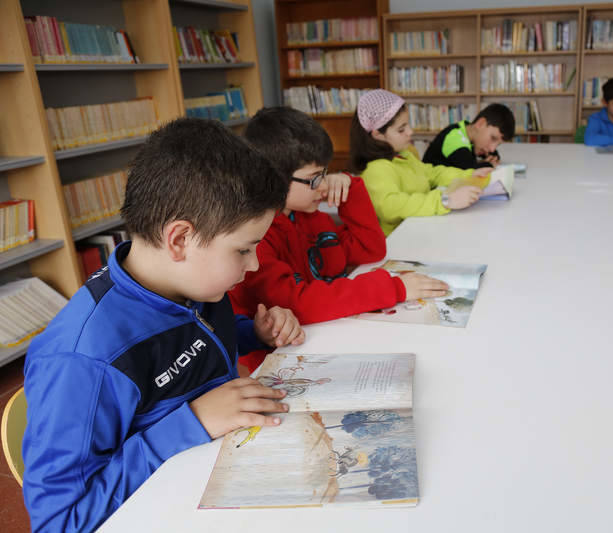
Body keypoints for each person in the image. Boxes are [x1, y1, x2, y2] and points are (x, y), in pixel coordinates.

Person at [21, 118, 305, 532]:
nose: (254, 264)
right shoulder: (83, 361)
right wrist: (192, 423)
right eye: (243, 249)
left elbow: (191, 342)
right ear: (179, 239)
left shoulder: (192, 284)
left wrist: (253, 332)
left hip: (222, 477)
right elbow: (59, 522)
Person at [230, 107, 448, 372]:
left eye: (325, 174)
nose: (323, 186)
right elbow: (296, 304)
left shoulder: (312, 216)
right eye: (314, 179)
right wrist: (393, 288)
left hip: (324, 335)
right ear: (272, 180)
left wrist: (350, 186)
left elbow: (371, 249)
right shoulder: (256, 239)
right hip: (277, 362)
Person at [350, 89, 492, 236]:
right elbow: (391, 207)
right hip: (398, 243)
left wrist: (470, 174)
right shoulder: (376, 169)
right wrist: (444, 201)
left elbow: (432, 173)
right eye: (401, 129)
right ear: (378, 135)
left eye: (408, 125)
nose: (410, 132)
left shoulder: (404, 156)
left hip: (419, 230)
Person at [422, 103, 515, 169]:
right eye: (493, 138)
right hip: (433, 190)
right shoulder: (454, 138)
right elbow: (471, 169)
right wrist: (489, 164)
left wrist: (493, 156)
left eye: (497, 144)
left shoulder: (469, 131)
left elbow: (489, 153)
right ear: (480, 124)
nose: (492, 148)